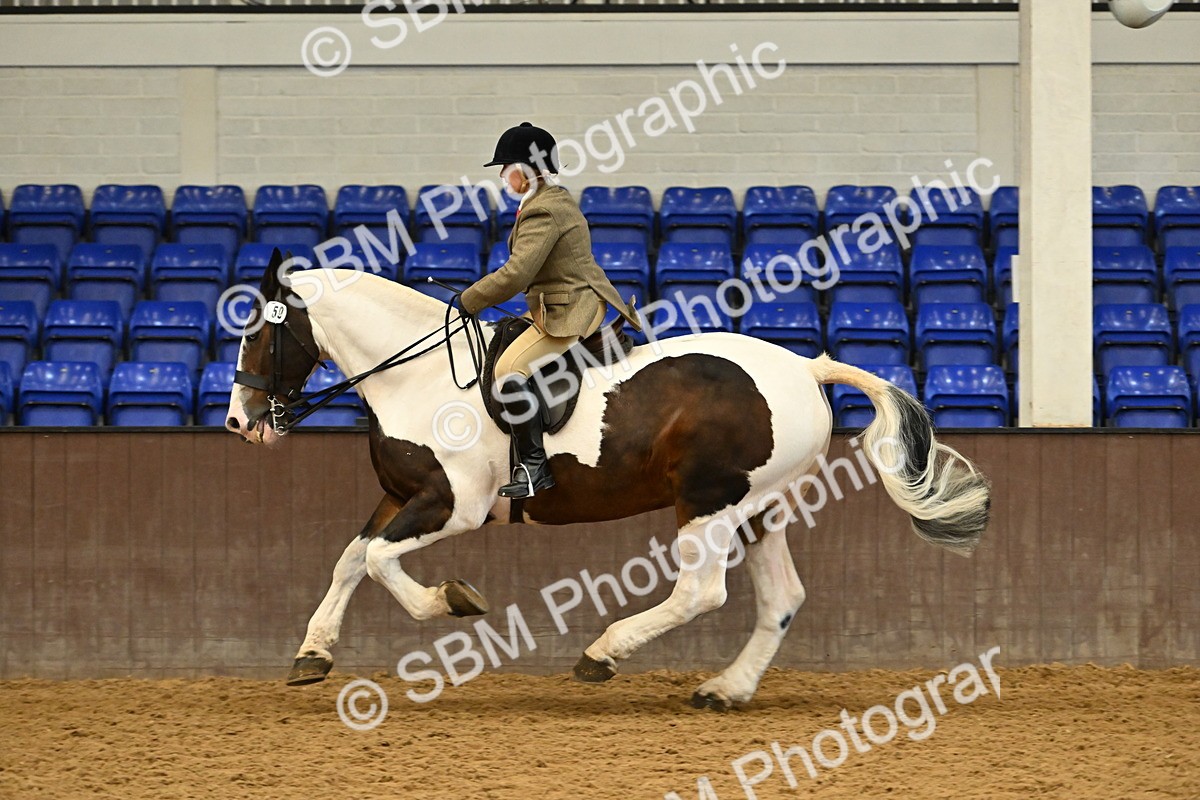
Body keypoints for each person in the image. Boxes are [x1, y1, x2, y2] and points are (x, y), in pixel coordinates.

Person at [457, 122, 640, 500]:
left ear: (526, 170)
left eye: (506, 169)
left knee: (509, 371)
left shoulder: (544, 210)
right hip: (554, 302)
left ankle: (534, 468)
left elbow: (517, 273)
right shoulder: (545, 201)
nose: (503, 177)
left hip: (571, 308)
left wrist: (469, 300)